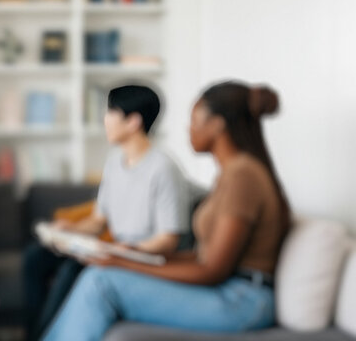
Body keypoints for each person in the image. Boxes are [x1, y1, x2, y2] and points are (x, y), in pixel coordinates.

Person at [43, 81, 291, 341]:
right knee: (99, 274)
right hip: (232, 292)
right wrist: (133, 254)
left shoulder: (243, 175)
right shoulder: (231, 174)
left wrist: (123, 263)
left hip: (241, 302)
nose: (189, 128)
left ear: (217, 125)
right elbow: (203, 256)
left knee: (102, 283)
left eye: (195, 120)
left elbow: (213, 270)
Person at [23, 85, 190, 341]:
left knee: (71, 269)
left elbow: (169, 239)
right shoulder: (114, 162)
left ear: (133, 121)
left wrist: (125, 251)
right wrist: (69, 230)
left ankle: (41, 337)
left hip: (140, 256)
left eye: (111, 112)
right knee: (35, 257)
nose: (105, 119)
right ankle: (32, 333)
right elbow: (99, 220)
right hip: (113, 249)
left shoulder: (163, 169)